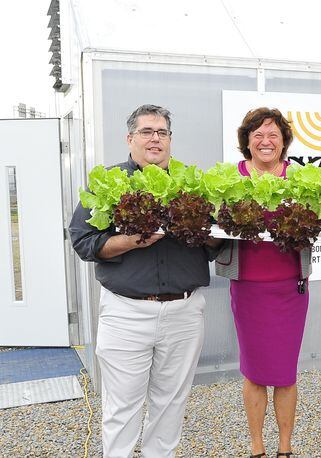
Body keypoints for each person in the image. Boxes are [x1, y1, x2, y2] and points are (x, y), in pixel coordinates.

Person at [69, 104, 221, 457]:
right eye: (147, 131)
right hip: (127, 313)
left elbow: (216, 243)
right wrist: (133, 239)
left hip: (184, 311)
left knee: (171, 404)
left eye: (162, 132)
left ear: (170, 139)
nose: (155, 139)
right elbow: (83, 241)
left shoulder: (194, 184)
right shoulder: (108, 182)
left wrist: (206, 231)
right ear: (130, 138)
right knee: (122, 407)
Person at [214, 107, 312, 458]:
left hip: (290, 288)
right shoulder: (231, 178)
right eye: (258, 135)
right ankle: (257, 447)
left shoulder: (302, 179)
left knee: (286, 373)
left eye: (273, 134)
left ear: (284, 140)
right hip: (249, 287)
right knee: (254, 372)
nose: (266, 141)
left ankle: (285, 447)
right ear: (247, 141)